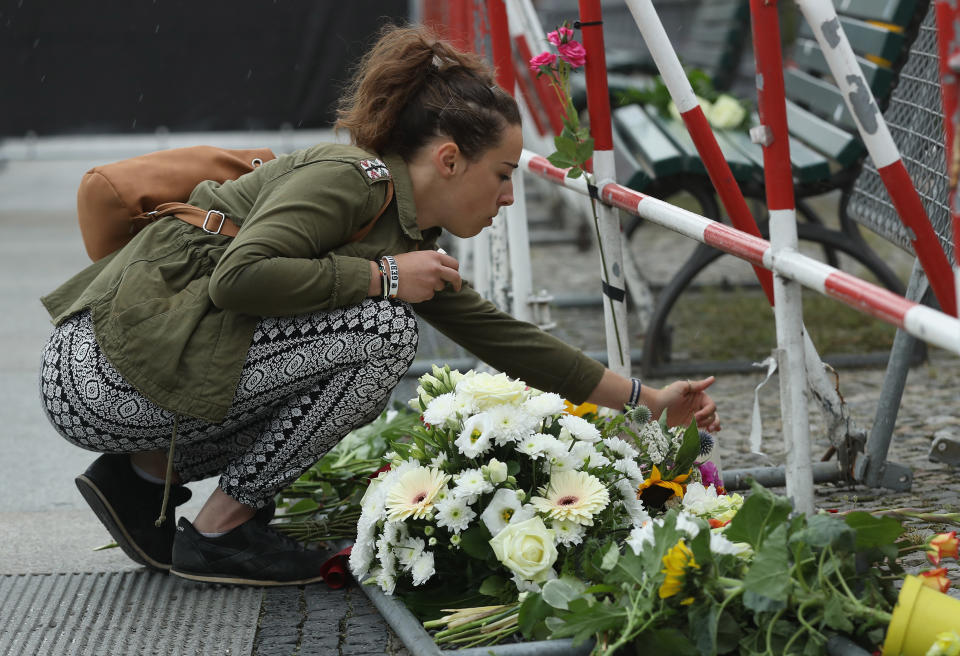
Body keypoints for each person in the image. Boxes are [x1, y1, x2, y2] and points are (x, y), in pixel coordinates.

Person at [38, 24, 720, 587]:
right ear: (449, 159)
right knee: (381, 334)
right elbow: (238, 278)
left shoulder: (406, 225)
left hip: (134, 370)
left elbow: (504, 337)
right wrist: (383, 278)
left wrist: (647, 398)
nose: (509, 198)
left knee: (368, 335)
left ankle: (141, 478)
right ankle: (219, 533)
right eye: (503, 177)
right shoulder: (349, 181)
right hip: (97, 373)